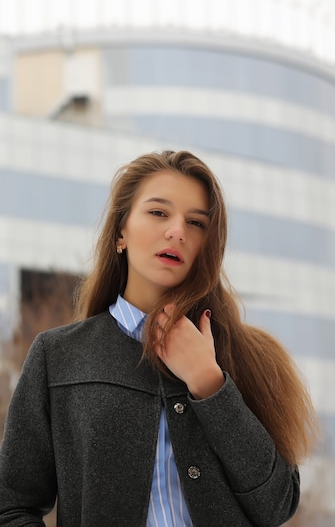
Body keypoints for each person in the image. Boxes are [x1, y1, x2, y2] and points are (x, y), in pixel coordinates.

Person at [0, 149, 318, 526]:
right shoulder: (59, 357)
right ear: (120, 232)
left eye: (196, 223)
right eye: (158, 213)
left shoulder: (251, 355)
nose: (177, 231)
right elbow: (12, 506)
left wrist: (210, 385)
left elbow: (277, 505)